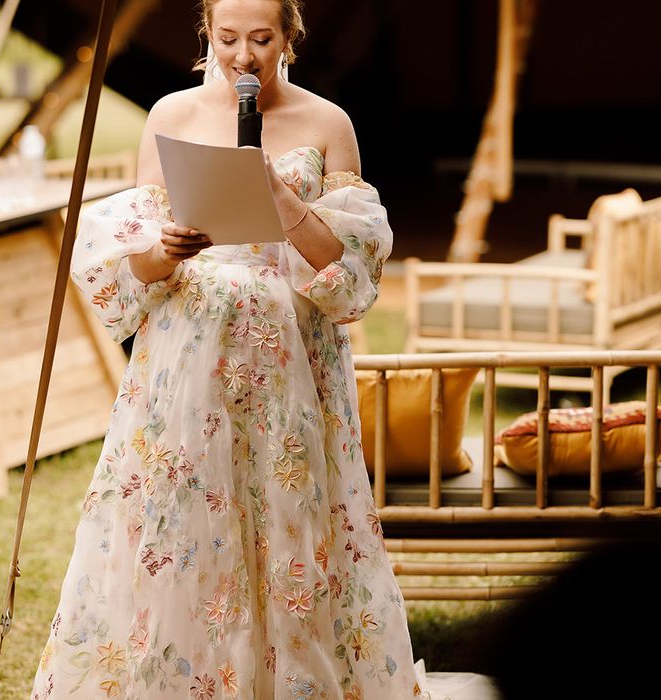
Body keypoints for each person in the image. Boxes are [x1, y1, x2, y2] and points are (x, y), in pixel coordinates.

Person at [33, 1, 498, 697]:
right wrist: (163, 249)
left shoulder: (325, 123)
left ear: (289, 37)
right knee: (180, 521)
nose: (243, 57)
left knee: (290, 524)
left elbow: (354, 269)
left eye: (260, 40)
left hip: (291, 367)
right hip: (187, 364)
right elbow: (130, 277)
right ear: (206, 35)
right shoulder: (169, 116)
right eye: (227, 40)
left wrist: (281, 198)